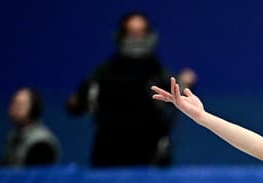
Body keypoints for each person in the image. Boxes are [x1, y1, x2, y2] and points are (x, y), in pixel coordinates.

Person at [67, 11, 195, 167]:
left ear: (150, 35)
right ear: (121, 36)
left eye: (141, 33)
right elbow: (75, 107)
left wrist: (184, 86)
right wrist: (78, 100)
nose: (136, 39)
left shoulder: (160, 75)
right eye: (131, 33)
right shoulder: (103, 74)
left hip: (150, 159)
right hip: (108, 155)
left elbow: (182, 101)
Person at [0, 87, 61, 169]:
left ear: (34, 109)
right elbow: (12, 166)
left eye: (19, 105)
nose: (12, 109)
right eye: (13, 104)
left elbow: (32, 174)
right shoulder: (14, 136)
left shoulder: (41, 143)